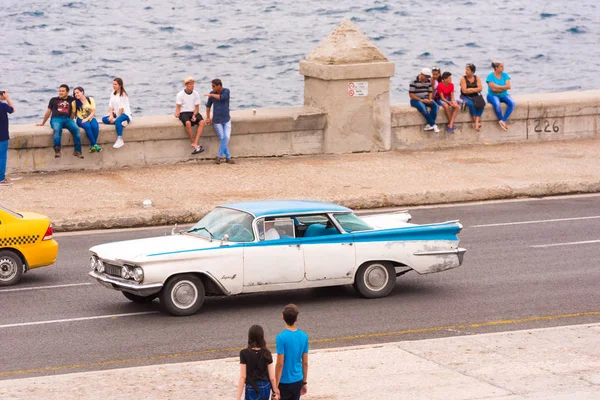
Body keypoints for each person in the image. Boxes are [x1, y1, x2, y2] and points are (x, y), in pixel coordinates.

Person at [36, 84, 83, 158]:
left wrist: (71, 120)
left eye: (63, 91)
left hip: (67, 119)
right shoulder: (53, 100)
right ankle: (57, 150)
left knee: (76, 129)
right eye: (60, 91)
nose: (60, 92)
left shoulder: (71, 100)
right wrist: (43, 123)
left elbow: (78, 105)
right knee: (57, 129)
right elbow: (48, 112)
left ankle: (77, 151)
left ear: (67, 92)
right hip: (56, 119)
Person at [236, 325, 280, 400]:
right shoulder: (267, 353)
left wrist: (238, 397)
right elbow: (272, 377)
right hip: (265, 386)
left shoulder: (244, 353)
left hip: (251, 387)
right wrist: (274, 392)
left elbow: (243, 377)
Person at [275, 304, 309, 400]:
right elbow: (305, 363)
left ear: (283, 317)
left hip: (284, 381)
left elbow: (280, 364)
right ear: (297, 318)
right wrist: (304, 382)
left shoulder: (281, 338)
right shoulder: (304, 336)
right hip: (298, 379)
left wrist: (275, 386)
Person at [205, 78, 234, 164]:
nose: (212, 87)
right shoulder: (211, 94)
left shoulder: (226, 91)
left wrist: (212, 95)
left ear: (219, 86)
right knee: (222, 138)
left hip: (226, 119)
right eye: (212, 86)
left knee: (226, 137)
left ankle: (219, 156)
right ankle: (228, 157)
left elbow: (222, 97)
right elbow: (208, 106)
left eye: (214, 86)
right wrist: (208, 117)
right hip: (217, 120)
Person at [174, 76, 205, 155]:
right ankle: (193, 142)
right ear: (186, 85)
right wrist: (177, 113)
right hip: (183, 112)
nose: (192, 86)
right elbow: (178, 107)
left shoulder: (196, 93)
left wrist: (194, 115)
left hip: (193, 111)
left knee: (202, 122)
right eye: (190, 84)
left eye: (193, 84)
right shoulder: (180, 94)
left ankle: (196, 142)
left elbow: (197, 107)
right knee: (188, 123)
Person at [102, 78, 132, 148]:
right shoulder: (113, 93)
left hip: (125, 114)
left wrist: (115, 119)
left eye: (115, 84)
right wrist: (111, 116)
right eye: (113, 84)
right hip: (115, 113)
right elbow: (110, 106)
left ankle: (120, 139)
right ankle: (121, 122)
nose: (113, 86)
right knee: (104, 119)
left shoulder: (123, 94)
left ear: (120, 85)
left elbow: (121, 109)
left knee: (118, 120)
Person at [486, 61, 516, 131]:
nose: (503, 68)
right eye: (501, 66)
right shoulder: (490, 76)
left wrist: (498, 87)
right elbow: (493, 89)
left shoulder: (505, 75)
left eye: (503, 66)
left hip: (504, 95)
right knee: (497, 104)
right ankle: (500, 119)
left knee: (512, 103)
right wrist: (503, 87)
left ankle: (502, 120)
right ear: (496, 68)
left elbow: (508, 86)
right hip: (492, 96)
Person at [409, 68, 440, 133]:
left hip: (426, 99)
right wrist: (421, 100)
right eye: (426, 77)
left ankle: (429, 125)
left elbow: (430, 92)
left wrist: (430, 99)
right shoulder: (413, 81)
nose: (427, 79)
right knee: (423, 107)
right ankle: (433, 124)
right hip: (416, 100)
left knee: (436, 106)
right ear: (422, 74)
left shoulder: (428, 81)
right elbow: (411, 94)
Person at [72, 87, 101, 153]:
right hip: (80, 119)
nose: (76, 94)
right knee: (87, 127)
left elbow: (93, 111)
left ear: (82, 92)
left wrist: (87, 119)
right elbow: (73, 113)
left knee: (95, 127)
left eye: (77, 92)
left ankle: (92, 146)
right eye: (74, 93)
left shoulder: (90, 99)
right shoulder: (74, 103)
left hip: (90, 117)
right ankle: (95, 145)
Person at [460, 63, 485, 131]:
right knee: (471, 104)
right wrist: (475, 89)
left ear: (472, 71)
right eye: (466, 69)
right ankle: (476, 123)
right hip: (464, 96)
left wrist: (470, 89)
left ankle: (476, 122)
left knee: (482, 104)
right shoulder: (463, 79)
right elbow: (464, 91)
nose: (466, 71)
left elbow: (480, 88)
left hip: (475, 96)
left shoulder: (477, 78)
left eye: (468, 70)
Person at [0, 90, 15, 186]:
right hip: (2, 135)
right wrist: (8, 98)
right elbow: (12, 110)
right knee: (2, 157)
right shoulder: (3, 106)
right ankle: (1, 179)